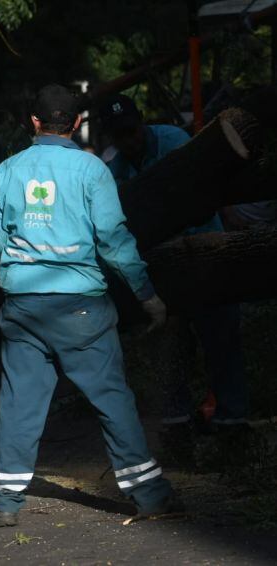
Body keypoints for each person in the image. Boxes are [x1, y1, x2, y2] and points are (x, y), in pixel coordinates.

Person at [0, 85, 177, 528]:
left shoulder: (8, 171)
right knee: (112, 401)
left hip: (23, 309)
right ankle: (150, 495)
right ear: (75, 124)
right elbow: (113, 241)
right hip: (81, 311)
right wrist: (147, 296)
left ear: (33, 122)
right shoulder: (93, 171)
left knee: (19, 405)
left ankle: (5, 501)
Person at [100, 94, 247, 433]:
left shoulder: (176, 144)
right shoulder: (114, 173)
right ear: (111, 137)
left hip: (203, 252)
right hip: (162, 264)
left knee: (220, 337)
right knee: (169, 345)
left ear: (141, 121)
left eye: (131, 130)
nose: (129, 140)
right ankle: (177, 421)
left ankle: (232, 419)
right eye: (120, 135)